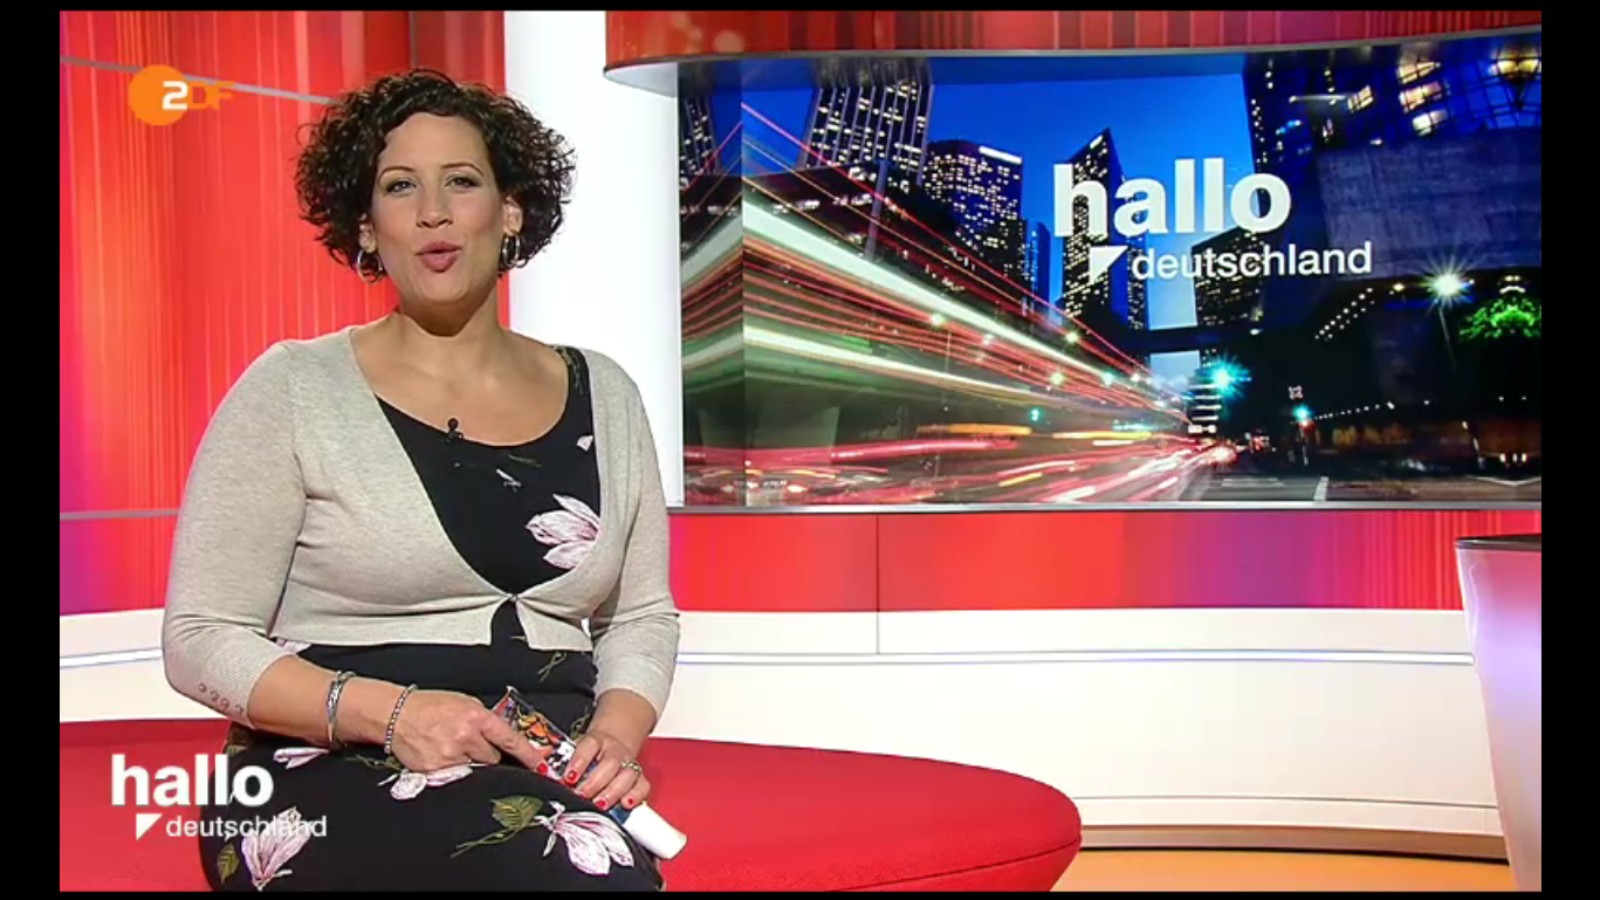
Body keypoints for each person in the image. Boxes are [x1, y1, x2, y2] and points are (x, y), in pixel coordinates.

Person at [160, 68, 680, 892]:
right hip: (325, 762)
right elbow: (198, 637)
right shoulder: (293, 388)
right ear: (368, 228)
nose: (433, 211)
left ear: (511, 211)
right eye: (401, 187)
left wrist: (612, 742)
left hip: (541, 767)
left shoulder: (606, 392)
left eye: (462, 182)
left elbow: (641, 616)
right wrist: (394, 714)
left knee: (574, 862)